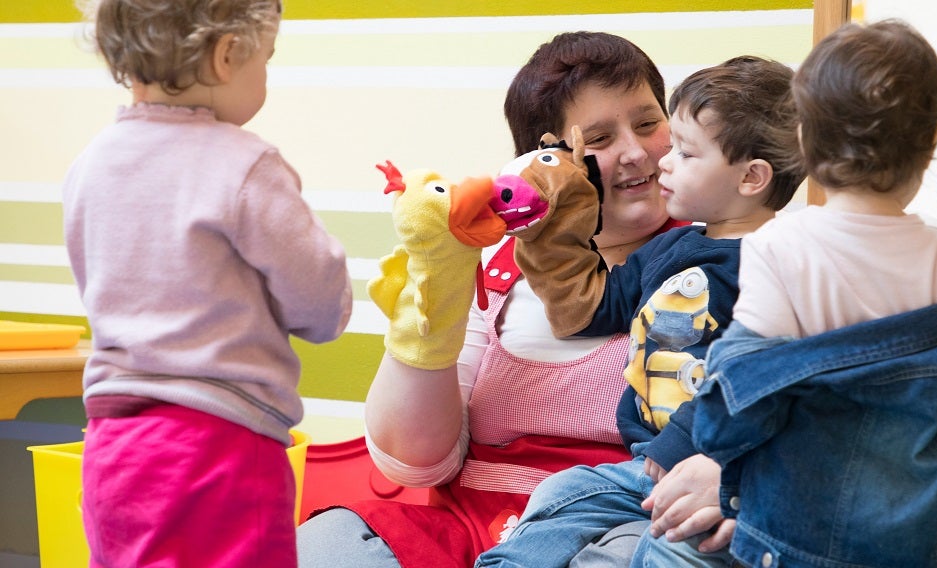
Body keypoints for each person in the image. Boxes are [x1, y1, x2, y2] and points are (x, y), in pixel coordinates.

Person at [296, 31, 681, 568]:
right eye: (599, 137)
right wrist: (434, 296)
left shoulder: (713, 262)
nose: (637, 152)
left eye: (647, 123)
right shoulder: (493, 270)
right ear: (547, 157)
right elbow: (415, 464)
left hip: (612, 526)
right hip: (471, 528)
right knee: (324, 543)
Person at [690, 20, 937, 567]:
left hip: (796, 534)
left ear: (803, 139)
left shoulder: (779, 247)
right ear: (929, 150)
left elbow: (734, 405)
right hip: (926, 534)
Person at [475, 55, 804, 568]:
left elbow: (762, 372)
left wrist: (686, 442)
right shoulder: (670, 252)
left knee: (678, 544)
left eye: (687, 153)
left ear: (751, 177)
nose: (662, 161)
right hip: (645, 464)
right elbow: (587, 309)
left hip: (730, 464)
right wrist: (552, 223)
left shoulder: (786, 262)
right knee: (566, 492)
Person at [61, 1, 354, 566]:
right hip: (219, 445)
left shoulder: (90, 163)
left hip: (110, 445)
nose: (265, 75)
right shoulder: (243, 164)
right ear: (226, 56)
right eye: (266, 59)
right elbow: (319, 301)